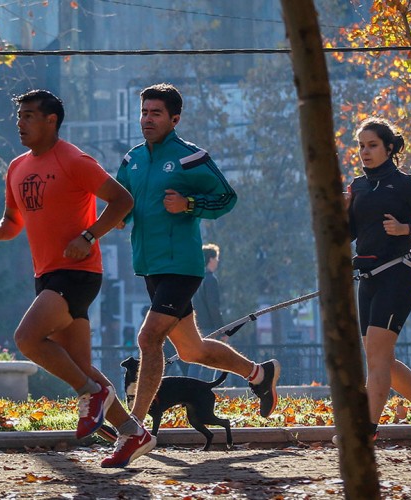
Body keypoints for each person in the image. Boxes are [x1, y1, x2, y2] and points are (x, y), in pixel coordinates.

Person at [109, 83, 280, 467]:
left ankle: (136, 428)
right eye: (144, 112)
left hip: (183, 265)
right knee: (193, 350)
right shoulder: (132, 160)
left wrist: (190, 204)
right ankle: (259, 374)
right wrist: (115, 220)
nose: (147, 119)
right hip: (149, 265)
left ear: (174, 118)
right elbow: (122, 204)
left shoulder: (190, 158)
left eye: (156, 113)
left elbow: (226, 198)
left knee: (149, 337)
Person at [0, 89, 149, 460]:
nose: (20, 123)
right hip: (47, 274)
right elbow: (13, 221)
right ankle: (132, 432)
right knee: (80, 365)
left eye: (28, 116)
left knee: (27, 339)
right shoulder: (17, 167)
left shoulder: (73, 158)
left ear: (51, 120)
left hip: (77, 272)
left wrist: (89, 236)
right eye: (19, 116)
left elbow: (123, 201)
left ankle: (92, 394)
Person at [344, 116, 411, 449]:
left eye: (372, 145)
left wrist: (407, 230)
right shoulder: (357, 187)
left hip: (399, 273)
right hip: (367, 277)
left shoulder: (407, 184)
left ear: (389, 148)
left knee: (376, 358)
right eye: (361, 146)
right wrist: (341, 211)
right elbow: (348, 234)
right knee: (382, 359)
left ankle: (366, 431)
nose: (365, 151)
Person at [187, 243, 224, 381]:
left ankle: (191, 387)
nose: (218, 261)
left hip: (196, 324)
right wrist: (222, 329)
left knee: (196, 360)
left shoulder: (196, 279)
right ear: (211, 259)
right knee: (212, 359)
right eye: (217, 258)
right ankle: (206, 389)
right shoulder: (210, 280)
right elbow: (213, 306)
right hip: (210, 326)